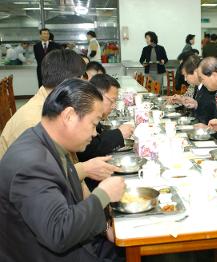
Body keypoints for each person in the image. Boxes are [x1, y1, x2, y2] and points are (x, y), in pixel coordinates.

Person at [0, 78, 126, 261]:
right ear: (69, 116)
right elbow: (59, 232)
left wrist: (105, 226)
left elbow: (74, 201)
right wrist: (103, 195)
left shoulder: (46, 140)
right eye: (93, 123)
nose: (94, 133)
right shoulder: (32, 164)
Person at [0, 49, 119, 186]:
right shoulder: (36, 120)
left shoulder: (53, 104)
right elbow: (43, 181)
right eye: (83, 78)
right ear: (72, 82)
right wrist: (86, 170)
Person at [77, 74, 134, 190]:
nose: (114, 106)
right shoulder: (81, 115)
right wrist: (119, 134)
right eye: (112, 101)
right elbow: (90, 148)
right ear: (97, 96)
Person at [178, 54, 216, 124]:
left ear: (196, 72)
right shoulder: (197, 86)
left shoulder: (208, 88)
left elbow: (210, 113)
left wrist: (196, 105)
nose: (185, 79)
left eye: (186, 75)